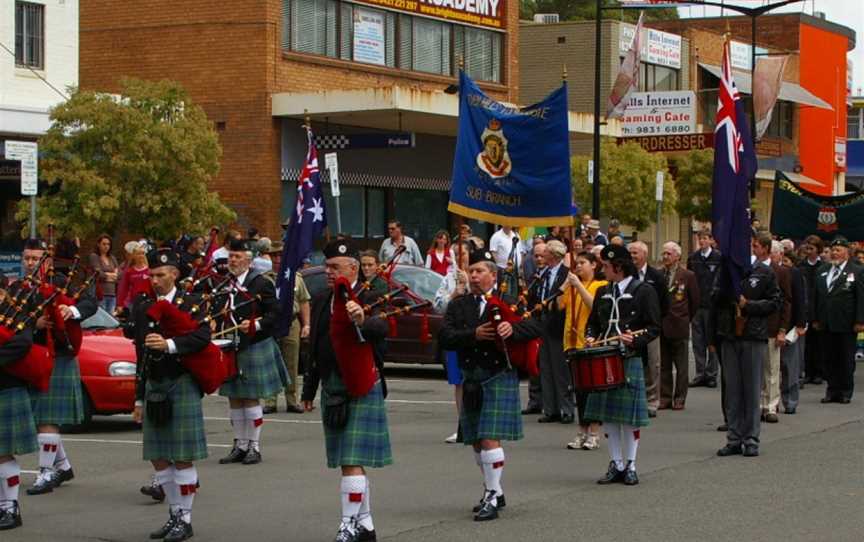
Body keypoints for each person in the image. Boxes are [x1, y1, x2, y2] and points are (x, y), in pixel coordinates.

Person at [439, 250, 541, 521]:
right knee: (475, 441)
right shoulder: (459, 304)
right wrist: (472, 334)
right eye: (471, 271)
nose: (474, 276)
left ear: (492, 275)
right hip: (472, 377)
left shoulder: (509, 299)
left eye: (479, 271)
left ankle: (492, 496)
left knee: (488, 437)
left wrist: (512, 329)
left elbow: (535, 327)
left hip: (498, 375)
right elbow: (445, 337)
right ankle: (492, 489)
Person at [302, 239, 391, 542]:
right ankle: (365, 523)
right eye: (326, 266)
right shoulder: (322, 297)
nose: (328, 272)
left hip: (361, 382)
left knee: (351, 459)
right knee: (347, 460)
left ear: (353, 268)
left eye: (334, 267)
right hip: (332, 384)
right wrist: (308, 389)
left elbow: (383, 330)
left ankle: (347, 525)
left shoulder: (372, 295)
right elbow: (315, 346)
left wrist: (362, 319)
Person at [127, 248, 211, 542]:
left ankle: (185, 520)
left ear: (174, 274)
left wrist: (170, 345)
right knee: (159, 457)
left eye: (161, 275)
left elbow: (202, 337)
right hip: (154, 384)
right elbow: (140, 354)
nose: (155, 280)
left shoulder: (192, 302)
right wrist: (139, 397)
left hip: (181, 382)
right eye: (151, 274)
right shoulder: (142, 305)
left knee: (182, 457)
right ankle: (174, 514)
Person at [24, 238, 98, 496]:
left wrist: (71, 309)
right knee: (42, 418)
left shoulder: (65, 280)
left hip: (61, 356)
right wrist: (36, 324)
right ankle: (63, 466)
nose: (31, 263)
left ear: (48, 260)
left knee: (47, 417)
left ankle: (45, 473)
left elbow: (91, 303)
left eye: (37, 258)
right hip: (34, 357)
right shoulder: (23, 287)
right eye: (27, 258)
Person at [584, 244, 660, 486]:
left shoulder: (644, 291)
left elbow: (654, 326)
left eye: (605, 266)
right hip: (604, 357)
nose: (602, 270)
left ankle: (631, 464)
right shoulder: (602, 292)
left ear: (618, 267)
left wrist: (635, 339)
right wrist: (589, 337)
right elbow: (593, 323)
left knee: (628, 417)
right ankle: (616, 463)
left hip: (629, 358)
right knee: (609, 415)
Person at [217, 239, 285, 465]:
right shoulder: (225, 283)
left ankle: (254, 446)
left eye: (237, 257)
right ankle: (240, 444)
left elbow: (275, 313)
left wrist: (255, 325)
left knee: (250, 397)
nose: (232, 261)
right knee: (234, 397)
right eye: (230, 257)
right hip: (231, 344)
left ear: (248, 260)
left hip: (254, 344)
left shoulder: (260, 283)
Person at [713, 237, 782, 458]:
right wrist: (728, 291)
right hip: (729, 335)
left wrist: (748, 305)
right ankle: (734, 437)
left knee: (751, 389)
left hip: (753, 336)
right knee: (732, 390)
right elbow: (712, 298)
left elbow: (774, 302)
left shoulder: (763, 272)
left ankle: (751, 438)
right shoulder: (726, 271)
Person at [559, 252, 607, 450]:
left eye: (583, 263)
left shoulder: (599, 286)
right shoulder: (572, 286)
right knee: (579, 391)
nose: (578, 267)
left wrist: (578, 285)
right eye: (576, 263)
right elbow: (557, 305)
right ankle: (582, 430)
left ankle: (594, 432)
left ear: (594, 265)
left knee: (592, 391)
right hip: (571, 343)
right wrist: (565, 286)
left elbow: (595, 307)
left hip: (589, 343)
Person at [0, 286, 38, 531]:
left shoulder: (16, 314)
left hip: (7, 387)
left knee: (3, 451)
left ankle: (10, 507)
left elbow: (22, 344)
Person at [813, 236, 864, 404]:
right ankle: (832, 390)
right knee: (829, 357)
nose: (834, 253)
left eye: (838, 250)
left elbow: (861, 298)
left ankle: (845, 391)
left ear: (847, 252)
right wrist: (814, 318)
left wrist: (859, 320)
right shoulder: (822, 270)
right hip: (826, 321)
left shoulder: (856, 271)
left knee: (845, 358)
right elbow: (816, 297)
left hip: (846, 323)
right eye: (833, 250)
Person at [530, 240, 572, 424]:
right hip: (542, 322)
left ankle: (566, 409)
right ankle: (551, 409)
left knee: (560, 369)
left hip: (559, 324)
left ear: (554, 255)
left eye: (545, 252)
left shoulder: (566, 274)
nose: (541, 255)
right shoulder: (543, 273)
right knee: (545, 367)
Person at [433, 242, 470, 443]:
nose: (459, 257)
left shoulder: (484, 275)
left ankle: (479, 425)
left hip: (476, 337)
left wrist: (470, 285)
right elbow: (438, 305)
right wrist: (453, 294)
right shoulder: (448, 279)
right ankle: (462, 425)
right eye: (456, 253)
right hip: (456, 336)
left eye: (463, 253)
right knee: (459, 382)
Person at [658, 242, 699, 411]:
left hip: (679, 325)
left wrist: (685, 318)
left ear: (677, 256)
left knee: (681, 366)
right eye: (664, 253)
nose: (665, 256)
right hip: (662, 326)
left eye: (668, 253)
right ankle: (665, 397)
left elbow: (695, 301)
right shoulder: (659, 274)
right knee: (664, 365)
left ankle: (680, 398)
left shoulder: (687, 275)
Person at [264, 269, 310, 415]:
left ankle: (292, 400)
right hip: (271, 324)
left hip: (291, 322)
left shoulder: (296, 278)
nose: (277, 259)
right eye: (274, 255)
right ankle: (270, 401)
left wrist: (306, 324)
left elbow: (303, 301)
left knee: (292, 362)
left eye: (280, 255)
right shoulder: (264, 278)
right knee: (271, 362)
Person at [628, 241, 666, 417]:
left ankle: (652, 401)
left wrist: (656, 321)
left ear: (644, 254)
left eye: (635, 253)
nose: (632, 256)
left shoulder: (656, 276)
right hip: (631, 327)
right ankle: (636, 399)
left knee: (652, 364)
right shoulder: (627, 275)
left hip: (650, 327)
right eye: (631, 253)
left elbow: (665, 302)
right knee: (635, 363)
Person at [759, 238, 791, 424]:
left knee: (772, 368)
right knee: (757, 369)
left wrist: (782, 329)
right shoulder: (752, 269)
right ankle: (758, 404)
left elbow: (787, 303)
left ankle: (770, 405)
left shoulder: (781, 272)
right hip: (755, 328)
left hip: (773, 327)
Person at [687, 230, 723, 388]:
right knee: (697, 341)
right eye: (699, 239)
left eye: (704, 239)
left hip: (712, 305)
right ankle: (700, 372)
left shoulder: (718, 258)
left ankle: (711, 374)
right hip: (697, 305)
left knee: (712, 340)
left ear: (711, 240)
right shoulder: (693, 259)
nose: (702, 241)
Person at [780, 249, 807, 414]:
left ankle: (791, 400)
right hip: (772, 326)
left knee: (790, 366)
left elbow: (799, 299)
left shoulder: (794, 273)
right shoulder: (766, 271)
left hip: (791, 327)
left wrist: (800, 324)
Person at [521, 241, 546, 415]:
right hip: (533, 323)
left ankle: (550, 401)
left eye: (542, 255)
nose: (538, 259)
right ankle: (535, 400)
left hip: (548, 324)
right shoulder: (532, 277)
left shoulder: (553, 275)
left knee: (546, 365)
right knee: (533, 362)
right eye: (536, 256)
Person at [798, 235, 824, 384]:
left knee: (818, 343)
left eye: (812, 248)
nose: (809, 251)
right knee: (807, 344)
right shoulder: (802, 266)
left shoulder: (823, 267)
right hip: (806, 307)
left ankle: (819, 372)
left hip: (819, 307)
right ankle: (808, 371)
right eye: (807, 248)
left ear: (818, 250)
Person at [89, 234, 119, 314]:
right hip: (100, 294)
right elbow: (98, 274)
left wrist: (107, 275)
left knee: (111, 319)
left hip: (112, 294)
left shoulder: (112, 258)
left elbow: (118, 275)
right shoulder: (94, 256)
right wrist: (110, 275)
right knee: (102, 318)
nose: (106, 246)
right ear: (98, 244)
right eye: (104, 244)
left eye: (108, 244)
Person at [117, 242, 151, 312]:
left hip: (148, 302)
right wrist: (120, 304)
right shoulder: (129, 271)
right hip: (132, 304)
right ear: (134, 256)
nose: (141, 256)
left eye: (143, 253)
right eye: (138, 254)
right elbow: (123, 289)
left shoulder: (149, 271)